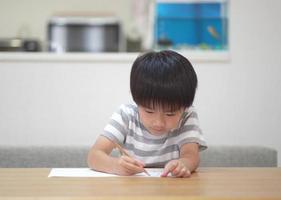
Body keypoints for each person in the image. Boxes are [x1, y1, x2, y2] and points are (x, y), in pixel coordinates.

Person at [87, 50, 207, 178]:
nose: (159, 122)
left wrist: (183, 164)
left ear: (185, 107)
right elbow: (94, 156)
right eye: (149, 111)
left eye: (170, 114)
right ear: (136, 100)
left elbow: (191, 156)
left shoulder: (187, 115)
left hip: (173, 190)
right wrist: (116, 166)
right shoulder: (126, 115)